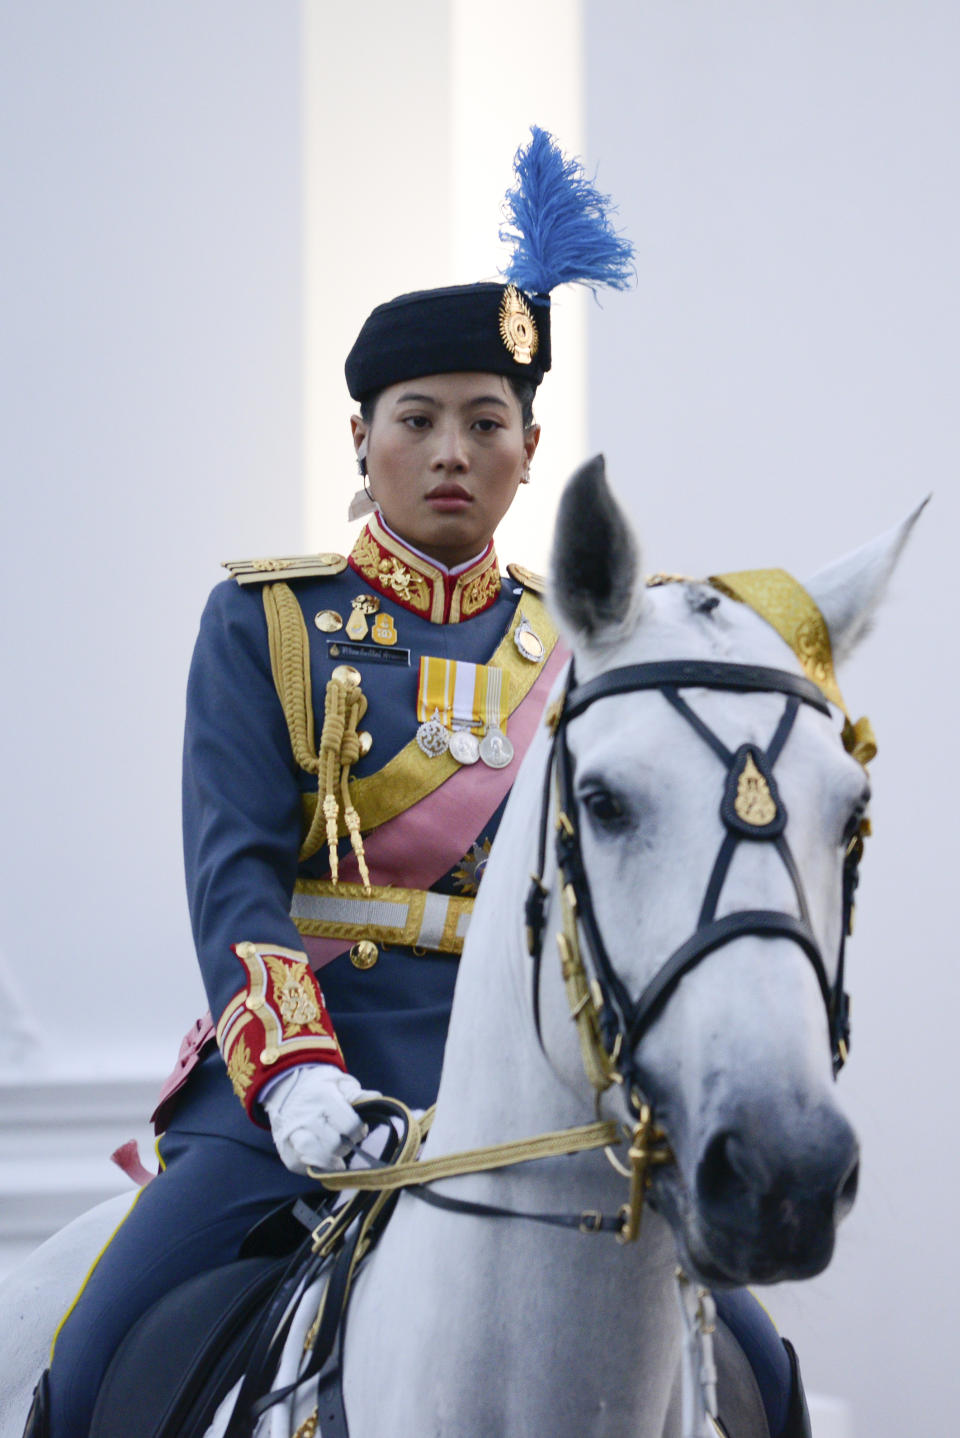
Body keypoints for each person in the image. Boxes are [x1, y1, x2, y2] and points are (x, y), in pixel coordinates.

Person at [31, 129, 807, 1438]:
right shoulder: (266, 625)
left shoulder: (585, 647)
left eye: (485, 420)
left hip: (526, 1079)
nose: (453, 448)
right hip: (301, 1079)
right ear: (363, 435)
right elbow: (235, 879)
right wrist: (296, 1082)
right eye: (420, 418)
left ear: (527, 445)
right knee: (93, 1358)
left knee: (763, 1374)